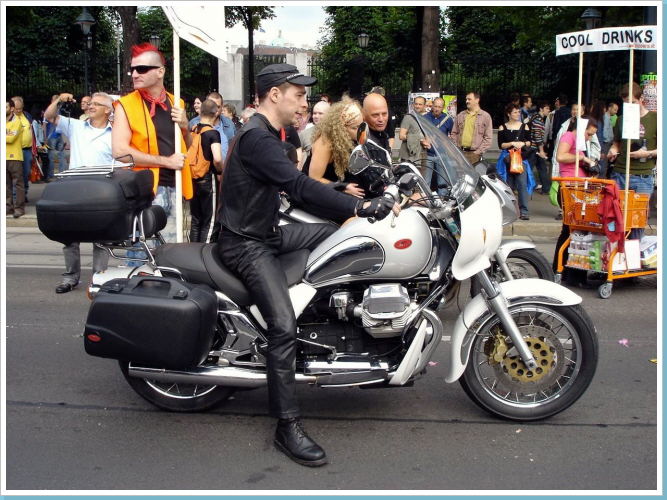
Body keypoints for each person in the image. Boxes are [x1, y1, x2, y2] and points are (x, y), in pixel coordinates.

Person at [216, 63, 398, 467]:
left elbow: (297, 187)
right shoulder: (256, 137)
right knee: (282, 326)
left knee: (337, 237)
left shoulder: (269, 134)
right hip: (246, 245)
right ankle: (287, 426)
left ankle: (329, 313)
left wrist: (353, 195)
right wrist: (359, 206)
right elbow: (298, 186)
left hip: (266, 233)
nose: (305, 102)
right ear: (274, 94)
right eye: (298, 95)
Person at [111, 42, 194, 243]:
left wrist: (185, 126)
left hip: (176, 187)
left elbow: (188, 145)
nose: (134, 74)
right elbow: (120, 151)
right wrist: (166, 162)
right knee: (142, 254)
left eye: (141, 69)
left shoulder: (177, 102)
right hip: (144, 192)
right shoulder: (125, 105)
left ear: (160, 72)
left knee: (172, 254)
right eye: (132, 69)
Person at [44, 91, 114, 293]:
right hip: (74, 188)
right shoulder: (76, 125)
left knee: (101, 238)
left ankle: (98, 279)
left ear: (107, 110)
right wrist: (58, 100)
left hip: (101, 191)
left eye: (96, 104)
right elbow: (49, 116)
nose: (91, 106)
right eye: (90, 103)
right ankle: (70, 277)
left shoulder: (115, 133)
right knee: (69, 236)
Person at [607, 82, 657, 239]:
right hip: (620, 172)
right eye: (626, 103)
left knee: (637, 220)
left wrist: (648, 154)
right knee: (615, 217)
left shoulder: (655, 119)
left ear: (641, 99)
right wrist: (613, 150)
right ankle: (618, 249)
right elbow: (616, 142)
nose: (630, 106)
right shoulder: (622, 119)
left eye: (633, 102)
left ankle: (634, 249)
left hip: (642, 175)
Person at [552, 117, 599, 278]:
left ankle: (568, 269)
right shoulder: (569, 136)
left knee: (575, 230)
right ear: (581, 129)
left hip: (578, 189)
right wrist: (582, 158)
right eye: (588, 134)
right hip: (569, 189)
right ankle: (561, 268)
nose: (589, 138)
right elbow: (561, 156)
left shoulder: (579, 143)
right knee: (569, 230)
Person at [306, 97, 365, 198]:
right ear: (341, 128)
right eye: (354, 128)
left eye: (361, 126)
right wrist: (343, 187)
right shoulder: (325, 142)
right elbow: (314, 178)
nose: (359, 131)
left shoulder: (349, 139)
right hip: (316, 194)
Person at [187, 98, 225, 243]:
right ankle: (204, 251)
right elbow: (217, 158)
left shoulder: (193, 130)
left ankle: (192, 250)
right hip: (208, 180)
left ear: (201, 112)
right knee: (210, 220)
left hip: (193, 179)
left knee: (196, 219)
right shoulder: (213, 133)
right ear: (216, 113)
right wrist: (220, 171)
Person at [497, 103, 532, 220]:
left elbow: (530, 142)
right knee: (508, 185)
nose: (517, 114)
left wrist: (522, 143)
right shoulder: (502, 127)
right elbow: (501, 145)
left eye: (518, 112)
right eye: (515, 112)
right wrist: (512, 143)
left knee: (522, 184)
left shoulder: (524, 126)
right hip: (507, 159)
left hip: (520, 159)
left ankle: (524, 211)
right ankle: (510, 210)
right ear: (509, 114)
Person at [450, 91, 493, 165]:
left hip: (475, 154)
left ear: (477, 100)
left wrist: (477, 152)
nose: (467, 101)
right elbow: (454, 133)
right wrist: (456, 148)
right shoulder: (460, 115)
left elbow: (488, 138)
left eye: (469, 99)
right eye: (466, 99)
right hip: (460, 153)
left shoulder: (485, 116)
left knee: (474, 173)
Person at [11, 96, 34, 202]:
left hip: (27, 150)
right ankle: (15, 197)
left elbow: (32, 131)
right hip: (14, 150)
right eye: (16, 109)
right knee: (16, 175)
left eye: (20, 108)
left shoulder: (27, 116)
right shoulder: (8, 117)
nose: (19, 110)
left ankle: (23, 194)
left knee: (26, 173)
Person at [6, 99, 26, 218]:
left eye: (6, 107)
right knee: (5, 184)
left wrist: (7, 135)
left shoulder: (17, 121)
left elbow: (11, 138)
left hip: (15, 157)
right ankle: (8, 207)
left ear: (12, 108)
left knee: (18, 183)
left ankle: (19, 208)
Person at [527, 100, 551, 194]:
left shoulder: (536, 118)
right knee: (532, 168)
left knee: (541, 168)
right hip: (534, 149)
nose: (548, 110)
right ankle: (525, 186)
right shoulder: (538, 120)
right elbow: (537, 137)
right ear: (541, 109)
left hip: (534, 148)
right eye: (547, 108)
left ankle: (545, 188)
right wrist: (541, 150)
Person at [298, 100, 330, 170]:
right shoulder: (304, 134)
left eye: (320, 113)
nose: (316, 116)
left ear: (329, 114)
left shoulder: (336, 133)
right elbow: (297, 156)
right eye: (314, 113)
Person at [398, 96, 427, 167]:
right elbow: (401, 136)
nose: (417, 106)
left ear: (424, 106)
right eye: (416, 104)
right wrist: (418, 138)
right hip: (408, 157)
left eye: (420, 104)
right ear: (413, 105)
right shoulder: (408, 117)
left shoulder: (425, 119)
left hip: (421, 155)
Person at [362, 92, 392, 160]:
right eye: (375, 115)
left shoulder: (383, 135)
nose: (381, 119)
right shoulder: (362, 141)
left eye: (384, 114)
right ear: (364, 115)